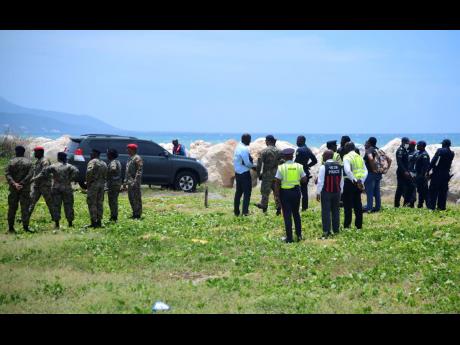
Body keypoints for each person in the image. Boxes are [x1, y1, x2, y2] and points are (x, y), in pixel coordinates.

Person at [274, 148, 308, 243]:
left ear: (284, 157)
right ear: (292, 156)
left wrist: (276, 195)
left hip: (285, 192)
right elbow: (304, 179)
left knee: (287, 215)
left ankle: (289, 238)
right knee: (296, 213)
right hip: (296, 191)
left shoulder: (281, 167)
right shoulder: (299, 166)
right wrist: (297, 181)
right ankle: (299, 235)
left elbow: (277, 182)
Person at [43, 152, 80, 229]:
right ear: (65, 158)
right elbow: (76, 171)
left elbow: (45, 172)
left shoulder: (53, 166)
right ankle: (70, 223)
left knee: (56, 206)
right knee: (69, 205)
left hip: (56, 188)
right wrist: (70, 179)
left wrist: (51, 178)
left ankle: (57, 224)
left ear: (58, 158)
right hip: (67, 188)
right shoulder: (69, 166)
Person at [5, 145, 33, 233]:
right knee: (25, 208)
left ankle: (11, 228)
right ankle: (25, 227)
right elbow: (30, 174)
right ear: (23, 152)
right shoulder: (29, 162)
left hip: (13, 189)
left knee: (12, 208)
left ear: (16, 151)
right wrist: (22, 183)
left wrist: (14, 184)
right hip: (24, 189)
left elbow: (7, 174)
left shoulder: (11, 162)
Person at [316, 150, 344, 239]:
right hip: (337, 192)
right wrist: (341, 191)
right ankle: (336, 230)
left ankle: (326, 231)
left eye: (323, 154)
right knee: (336, 211)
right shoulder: (339, 166)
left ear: (326, 156)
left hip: (326, 192)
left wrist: (318, 193)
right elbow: (341, 180)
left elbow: (320, 181)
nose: (322, 156)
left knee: (326, 212)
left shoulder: (324, 167)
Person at [342, 142, 368, 230]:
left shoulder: (347, 157)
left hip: (350, 183)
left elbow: (348, 171)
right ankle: (359, 226)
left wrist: (355, 181)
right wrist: (361, 181)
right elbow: (365, 171)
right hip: (359, 183)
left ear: (346, 148)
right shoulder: (359, 157)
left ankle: (347, 226)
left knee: (348, 206)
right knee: (358, 205)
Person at [255, 135, 282, 214]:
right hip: (277, 175)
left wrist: (258, 174)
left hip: (266, 175)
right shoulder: (280, 151)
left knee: (265, 193)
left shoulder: (264, 151)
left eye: (266, 141)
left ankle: (264, 208)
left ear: (268, 141)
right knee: (277, 192)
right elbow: (283, 162)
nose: (265, 142)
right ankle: (278, 208)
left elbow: (259, 164)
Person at [427, 139, 455, 211]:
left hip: (437, 174)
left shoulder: (440, 150)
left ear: (444, 144)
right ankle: (441, 207)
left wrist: (427, 171)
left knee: (433, 191)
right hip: (446, 174)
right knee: (443, 192)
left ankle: (431, 207)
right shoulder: (452, 153)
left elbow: (434, 161)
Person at [28, 146, 54, 220]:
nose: (34, 153)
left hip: (45, 186)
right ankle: (25, 217)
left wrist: (33, 179)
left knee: (50, 203)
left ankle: (55, 218)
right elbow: (35, 172)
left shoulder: (45, 161)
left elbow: (44, 173)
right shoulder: (37, 161)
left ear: (40, 152)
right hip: (37, 186)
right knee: (31, 201)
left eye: (35, 152)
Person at [233, 133, 255, 216]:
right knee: (247, 193)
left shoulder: (238, 147)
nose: (250, 141)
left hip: (238, 173)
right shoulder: (244, 149)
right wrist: (254, 166)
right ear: (245, 139)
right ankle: (245, 212)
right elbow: (247, 163)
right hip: (244, 173)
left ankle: (236, 211)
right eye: (249, 139)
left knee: (238, 193)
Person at [294, 135, 318, 211]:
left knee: (296, 191)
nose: (296, 142)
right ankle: (305, 208)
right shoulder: (308, 149)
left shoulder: (299, 149)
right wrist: (307, 165)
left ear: (302, 141)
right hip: (305, 172)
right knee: (304, 192)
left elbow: (296, 162)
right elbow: (315, 161)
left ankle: (295, 207)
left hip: (298, 172)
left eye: (298, 140)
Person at [86, 149, 108, 228]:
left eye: (91, 153)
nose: (90, 155)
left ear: (95, 154)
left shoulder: (92, 162)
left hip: (93, 185)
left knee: (92, 203)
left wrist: (88, 182)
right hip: (101, 185)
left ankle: (93, 222)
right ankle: (99, 221)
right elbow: (106, 174)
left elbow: (89, 171)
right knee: (99, 203)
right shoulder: (104, 163)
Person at [122, 143, 144, 219]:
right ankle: (134, 212)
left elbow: (139, 171)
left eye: (129, 149)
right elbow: (127, 171)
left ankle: (138, 214)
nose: (127, 150)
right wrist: (125, 183)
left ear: (133, 150)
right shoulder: (130, 158)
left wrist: (136, 181)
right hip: (129, 181)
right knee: (131, 198)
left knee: (136, 197)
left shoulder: (137, 158)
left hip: (135, 182)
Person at [363, 137, 382, 213]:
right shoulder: (378, 149)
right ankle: (377, 207)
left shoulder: (370, 149)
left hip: (371, 173)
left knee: (369, 191)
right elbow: (388, 159)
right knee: (377, 191)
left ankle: (369, 207)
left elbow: (370, 158)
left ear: (369, 142)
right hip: (378, 173)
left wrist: (373, 168)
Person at [394, 137, 411, 207]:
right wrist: (404, 171)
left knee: (407, 188)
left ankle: (406, 204)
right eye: (407, 143)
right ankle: (396, 205)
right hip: (401, 172)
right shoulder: (400, 150)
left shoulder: (405, 150)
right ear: (403, 142)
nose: (408, 144)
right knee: (400, 189)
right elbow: (399, 162)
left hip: (406, 172)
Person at [106, 148, 122, 222]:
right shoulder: (117, 161)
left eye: (108, 154)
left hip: (113, 184)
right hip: (117, 183)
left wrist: (108, 173)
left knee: (112, 201)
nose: (107, 155)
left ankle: (114, 217)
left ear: (111, 155)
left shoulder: (113, 162)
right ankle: (114, 215)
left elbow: (113, 169)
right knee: (114, 200)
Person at [414, 141, 430, 208]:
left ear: (422, 146)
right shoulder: (419, 153)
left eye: (418, 145)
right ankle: (420, 205)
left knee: (425, 191)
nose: (417, 146)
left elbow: (425, 166)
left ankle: (428, 205)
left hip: (422, 176)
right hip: (418, 175)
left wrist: (422, 175)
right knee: (420, 191)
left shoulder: (424, 155)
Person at [406, 140, 418, 207]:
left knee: (413, 188)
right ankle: (409, 202)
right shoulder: (408, 152)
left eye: (409, 145)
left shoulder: (416, 153)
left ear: (412, 145)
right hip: (408, 173)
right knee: (407, 188)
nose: (408, 146)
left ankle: (412, 202)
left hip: (413, 173)